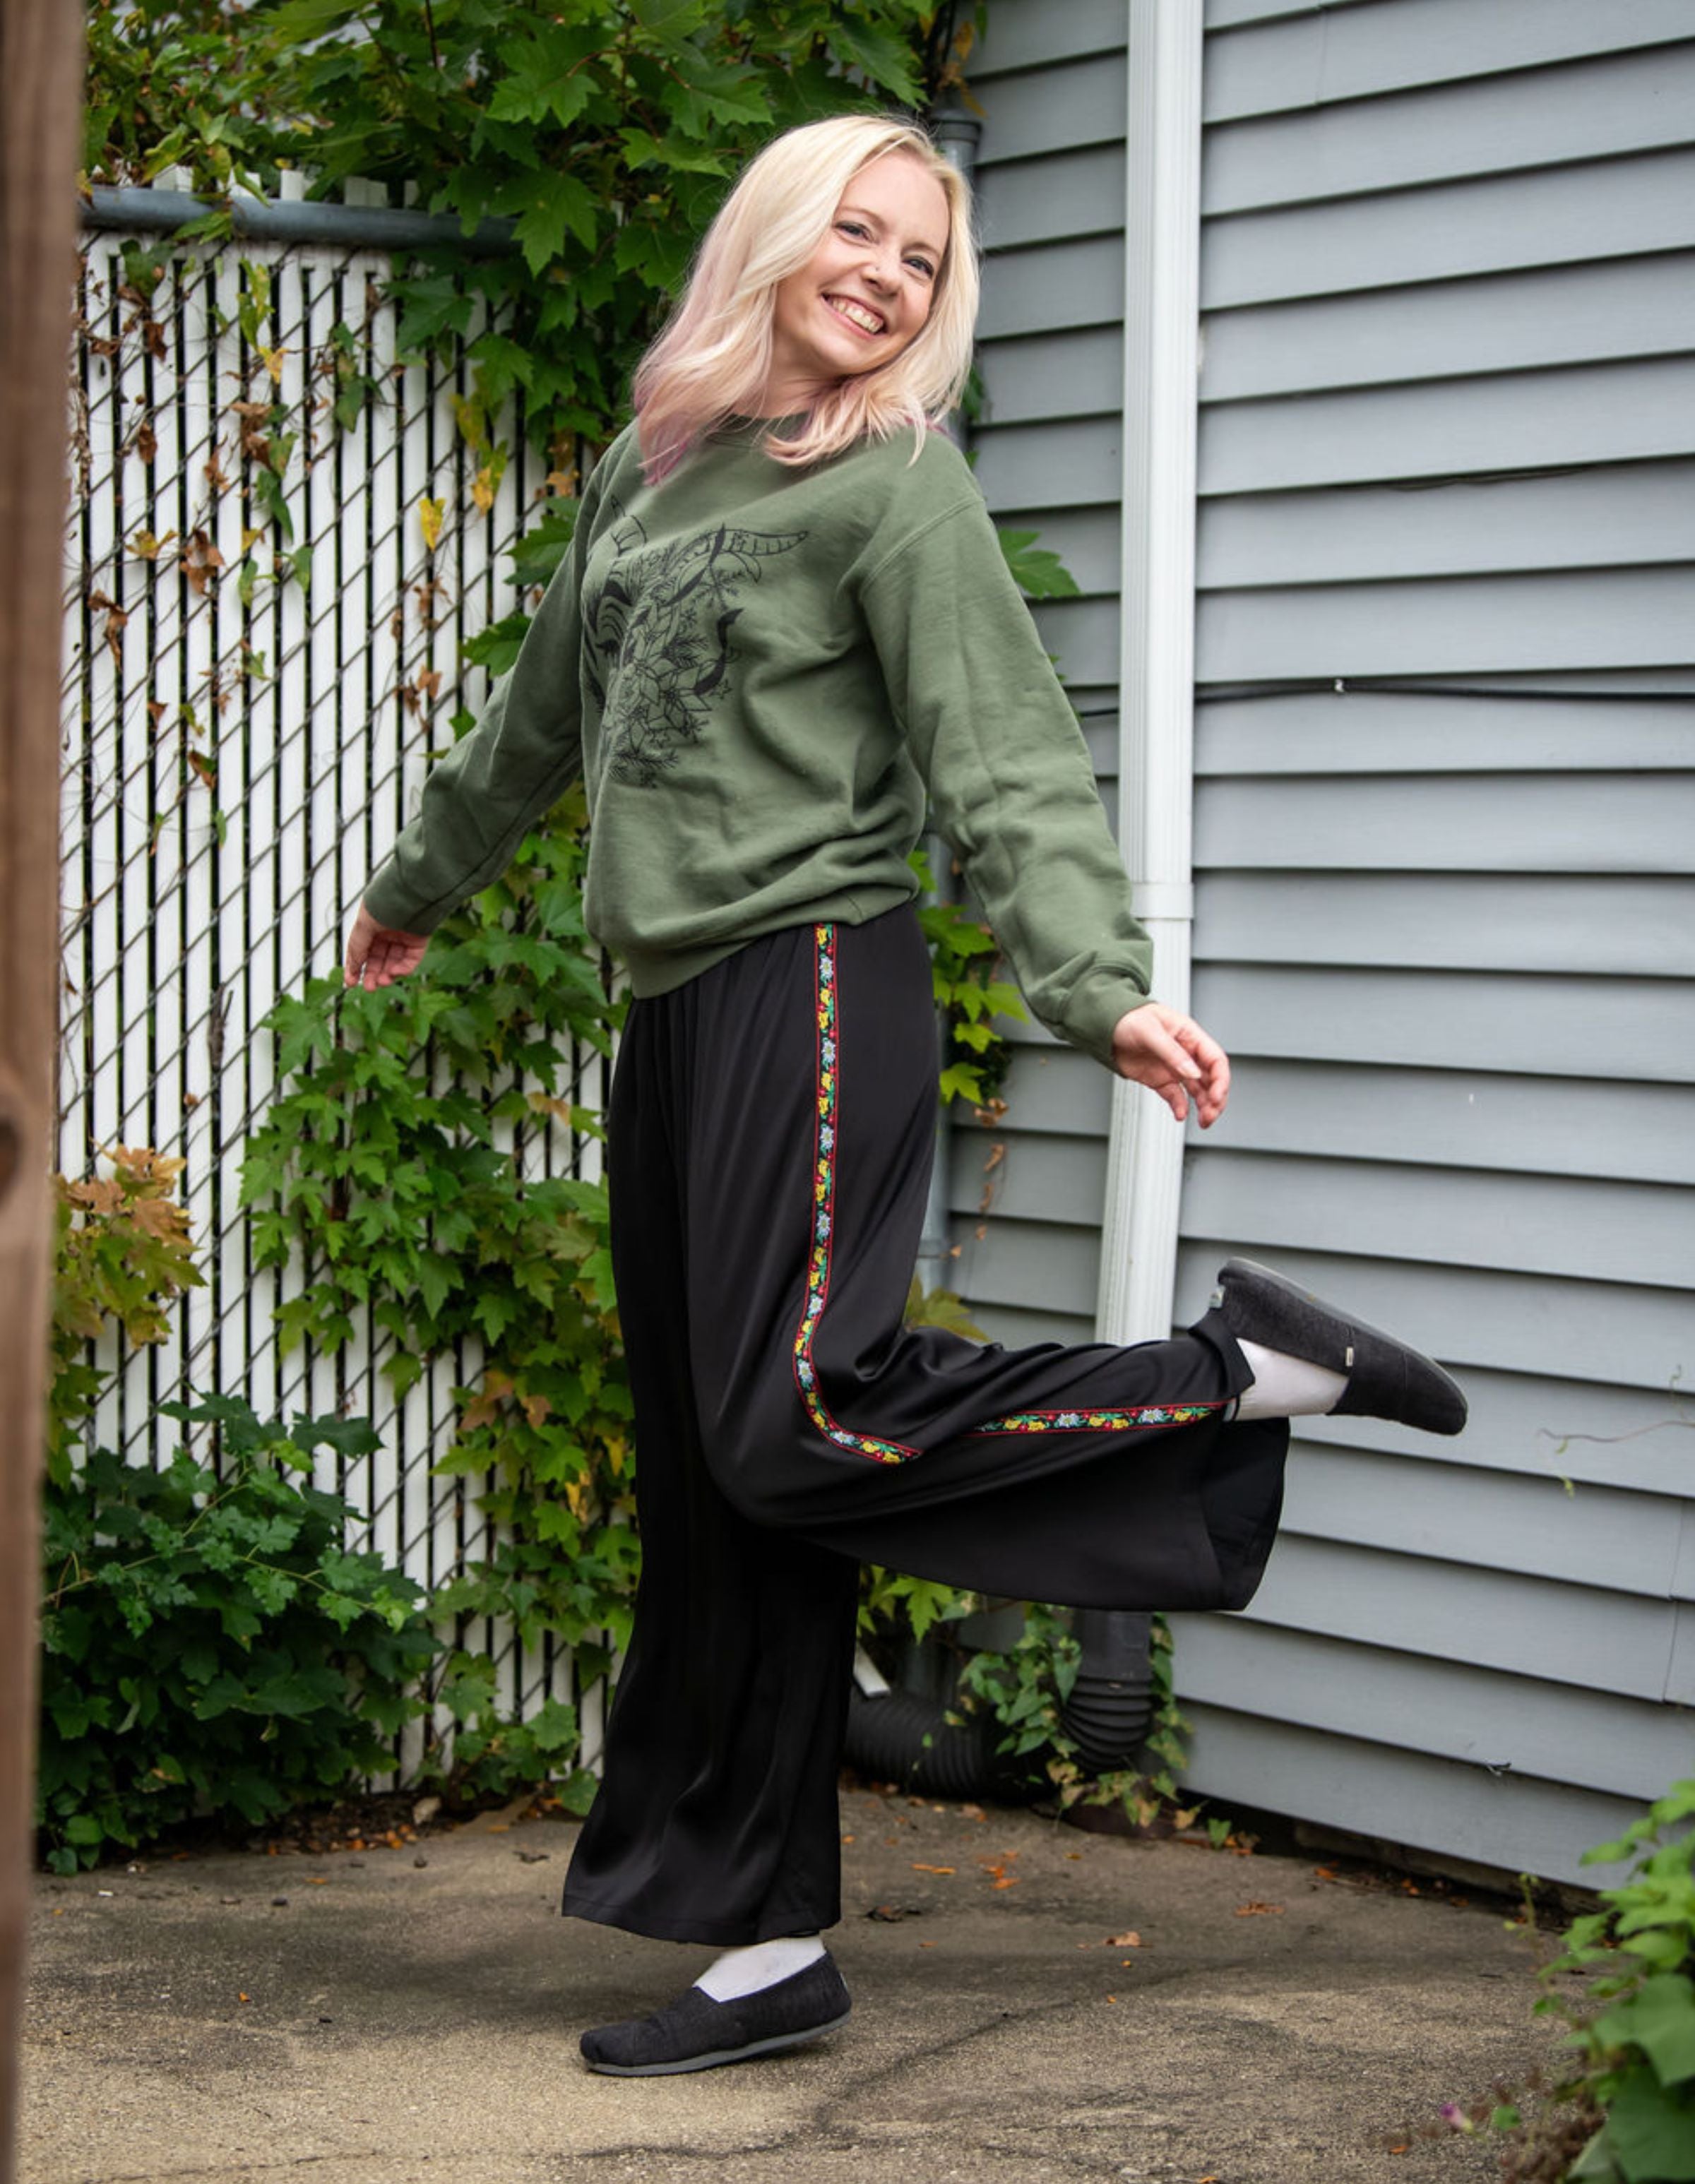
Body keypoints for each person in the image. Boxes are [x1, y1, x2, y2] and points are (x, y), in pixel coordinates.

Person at [344, 112, 1465, 2079]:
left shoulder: (896, 484)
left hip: (813, 973)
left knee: (800, 1418)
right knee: (720, 1482)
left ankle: (1239, 1378)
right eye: (857, 232)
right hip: (672, 1009)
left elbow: (1001, 753)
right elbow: (542, 716)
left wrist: (1100, 986)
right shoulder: (655, 463)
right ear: (775, 235)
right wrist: (420, 885)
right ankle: (769, 1944)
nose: (884, 275)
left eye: (921, 258)